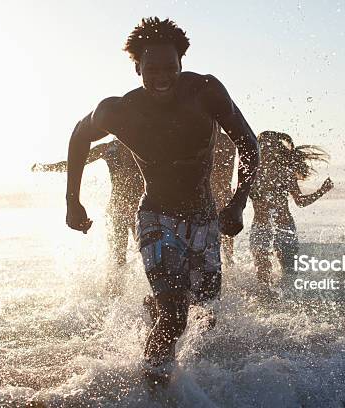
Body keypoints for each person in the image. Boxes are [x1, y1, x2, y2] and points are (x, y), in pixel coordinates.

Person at [64, 17, 259, 388]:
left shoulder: (206, 92)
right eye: (152, 69)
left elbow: (248, 143)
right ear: (137, 67)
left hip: (204, 218)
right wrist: (73, 201)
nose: (162, 77)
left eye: (170, 67)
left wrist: (237, 201)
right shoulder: (119, 110)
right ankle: (153, 386)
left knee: (205, 309)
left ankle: (157, 308)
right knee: (176, 317)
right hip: (156, 216)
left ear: (181, 63)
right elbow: (78, 135)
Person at [32, 134, 236, 269]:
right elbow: (76, 162)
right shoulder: (109, 149)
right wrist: (47, 168)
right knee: (119, 257)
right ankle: (115, 296)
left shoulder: (146, 145)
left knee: (151, 259)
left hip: (144, 211)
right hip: (119, 210)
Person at [34, 139, 143, 268]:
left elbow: (73, 165)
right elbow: (73, 164)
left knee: (136, 256)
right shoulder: (114, 147)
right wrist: (47, 167)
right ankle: (115, 288)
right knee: (122, 259)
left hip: (132, 208)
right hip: (122, 209)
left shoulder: (114, 147)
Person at [249, 131, 333, 288]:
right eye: (263, 145)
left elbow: (300, 201)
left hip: (284, 227)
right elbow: (240, 198)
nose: (267, 148)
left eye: (271, 145)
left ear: (276, 148)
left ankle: (288, 305)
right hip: (260, 227)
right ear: (258, 147)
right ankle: (267, 305)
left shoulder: (285, 173)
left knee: (289, 273)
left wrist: (322, 190)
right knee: (262, 273)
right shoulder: (252, 172)